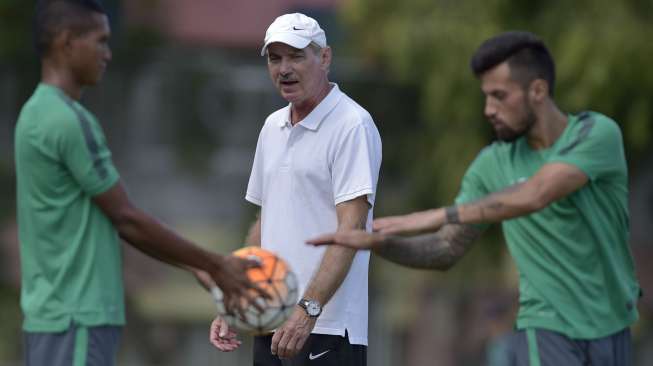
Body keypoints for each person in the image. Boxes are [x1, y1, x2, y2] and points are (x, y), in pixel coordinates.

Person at [308, 31, 640, 365]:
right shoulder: (491, 165)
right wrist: (380, 244)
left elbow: (537, 193)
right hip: (546, 326)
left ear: (537, 91)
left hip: (613, 322)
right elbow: (445, 249)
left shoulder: (595, 134)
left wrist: (440, 214)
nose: (488, 109)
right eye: (486, 97)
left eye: (499, 96)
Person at [15, 1, 263, 365]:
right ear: (67, 42)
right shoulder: (68, 121)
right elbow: (125, 218)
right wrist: (215, 264)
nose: (107, 53)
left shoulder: (34, 112)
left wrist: (193, 265)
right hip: (77, 316)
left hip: (52, 317)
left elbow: (113, 216)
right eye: (100, 41)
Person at [209, 13, 382, 366]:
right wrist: (239, 299)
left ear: (325, 58)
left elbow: (351, 230)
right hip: (272, 322)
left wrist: (308, 310)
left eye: (297, 56)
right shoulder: (272, 126)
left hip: (328, 329)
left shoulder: (353, 125)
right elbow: (264, 223)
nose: (284, 68)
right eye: (275, 58)